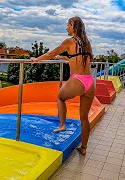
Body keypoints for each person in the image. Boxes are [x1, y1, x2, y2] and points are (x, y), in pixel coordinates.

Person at [31, 16, 94, 155]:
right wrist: (64, 58)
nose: (66, 27)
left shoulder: (69, 41)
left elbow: (51, 53)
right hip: (90, 81)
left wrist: (36, 59)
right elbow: (80, 58)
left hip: (78, 80)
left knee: (60, 97)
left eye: (68, 25)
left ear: (73, 27)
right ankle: (84, 148)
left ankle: (62, 125)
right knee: (84, 118)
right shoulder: (86, 43)